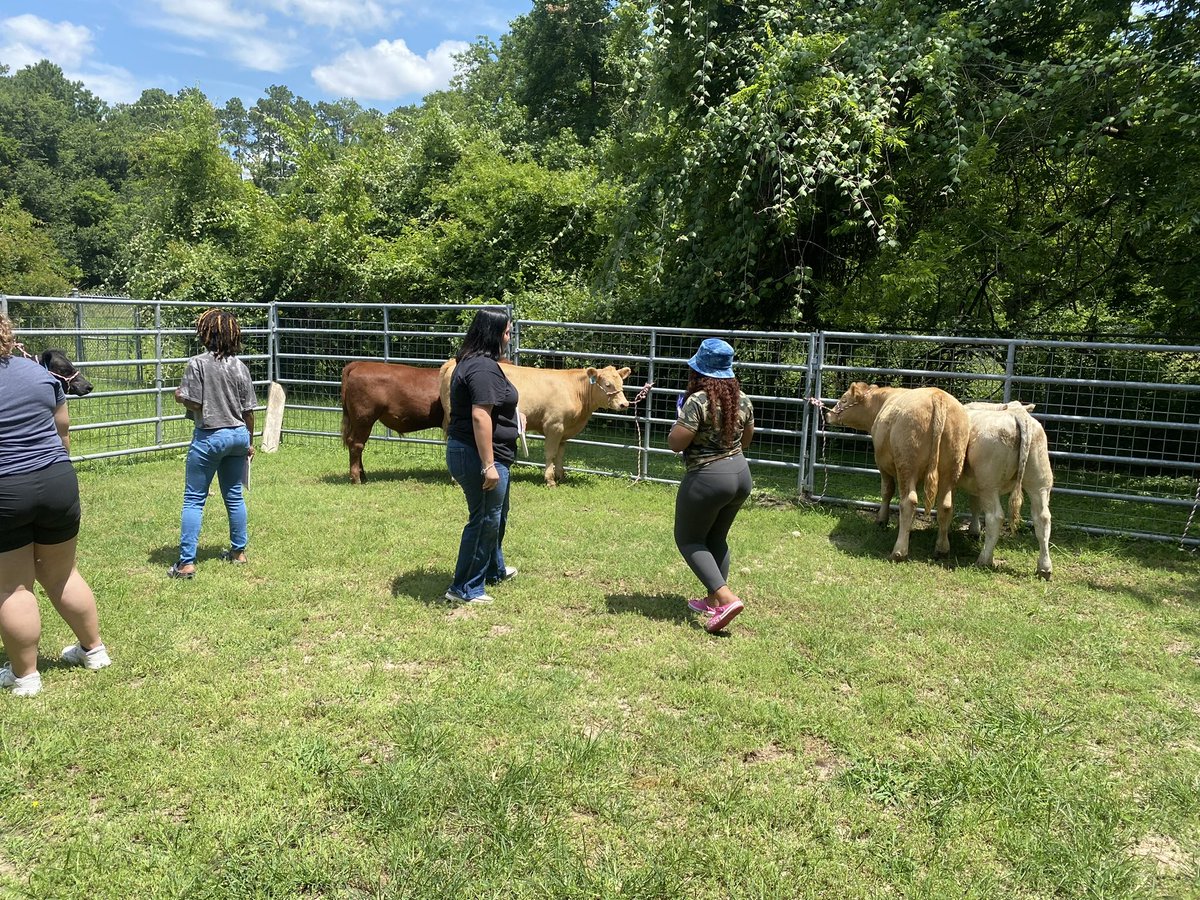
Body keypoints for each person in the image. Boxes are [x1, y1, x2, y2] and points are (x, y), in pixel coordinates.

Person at [0, 313, 111, 697]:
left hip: (6, 489)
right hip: (57, 481)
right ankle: (94, 650)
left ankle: (25, 675)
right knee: (62, 572)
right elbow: (62, 432)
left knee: (13, 586)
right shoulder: (39, 375)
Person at [668, 338, 755, 633]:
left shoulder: (698, 401)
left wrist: (677, 422)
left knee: (689, 539)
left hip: (707, 478)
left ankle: (725, 597)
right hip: (741, 475)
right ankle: (712, 600)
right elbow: (746, 440)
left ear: (699, 371)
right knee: (716, 537)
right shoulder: (743, 400)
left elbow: (676, 443)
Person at [169, 309, 258, 578]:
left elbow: (195, 402)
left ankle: (186, 564)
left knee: (194, 499)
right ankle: (238, 552)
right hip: (238, 435)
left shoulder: (197, 364)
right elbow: (249, 411)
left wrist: (180, 396)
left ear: (206, 334)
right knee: (233, 495)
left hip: (210, 435)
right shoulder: (240, 366)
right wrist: (249, 443)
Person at [444, 308, 520, 604]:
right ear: (493, 334)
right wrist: (489, 465)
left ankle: (492, 569)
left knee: (496, 515)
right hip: (480, 455)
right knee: (485, 518)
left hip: (482, 452)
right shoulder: (483, 368)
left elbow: (488, 406)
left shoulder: (474, 363)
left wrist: (515, 416)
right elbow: (479, 415)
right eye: (506, 332)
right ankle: (464, 588)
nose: (508, 337)